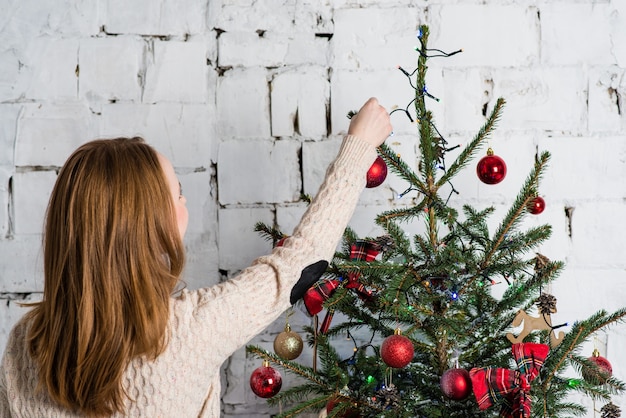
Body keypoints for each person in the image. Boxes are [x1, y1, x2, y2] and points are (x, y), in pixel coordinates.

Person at [0, 97, 391, 417]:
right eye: (178, 194)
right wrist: (358, 146)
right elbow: (300, 263)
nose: (185, 204)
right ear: (151, 225)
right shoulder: (189, 329)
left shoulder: (25, 342)